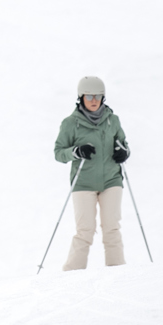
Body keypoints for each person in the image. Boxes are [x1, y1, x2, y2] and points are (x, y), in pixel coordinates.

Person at [53, 76, 130, 271]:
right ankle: (72, 273)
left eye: (98, 96)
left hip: (111, 180)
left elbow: (124, 145)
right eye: (89, 96)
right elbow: (59, 153)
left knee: (111, 228)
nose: (94, 100)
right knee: (85, 230)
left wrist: (124, 152)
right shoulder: (70, 123)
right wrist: (76, 151)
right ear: (81, 97)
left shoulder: (113, 120)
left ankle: (118, 271)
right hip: (83, 182)